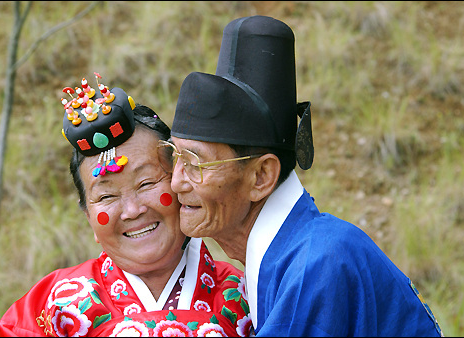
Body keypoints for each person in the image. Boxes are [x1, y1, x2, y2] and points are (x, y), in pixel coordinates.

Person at [161, 15, 444, 337]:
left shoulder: (315, 264)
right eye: (175, 157)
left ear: (261, 176)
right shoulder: (303, 250)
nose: (176, 181)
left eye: (197, 163)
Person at [0, 74, 252, 337]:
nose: (132, 211)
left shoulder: (245, 298)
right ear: (89, 217)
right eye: (106, 196)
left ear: (181, 184)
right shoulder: (53, 308)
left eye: (147, 183)